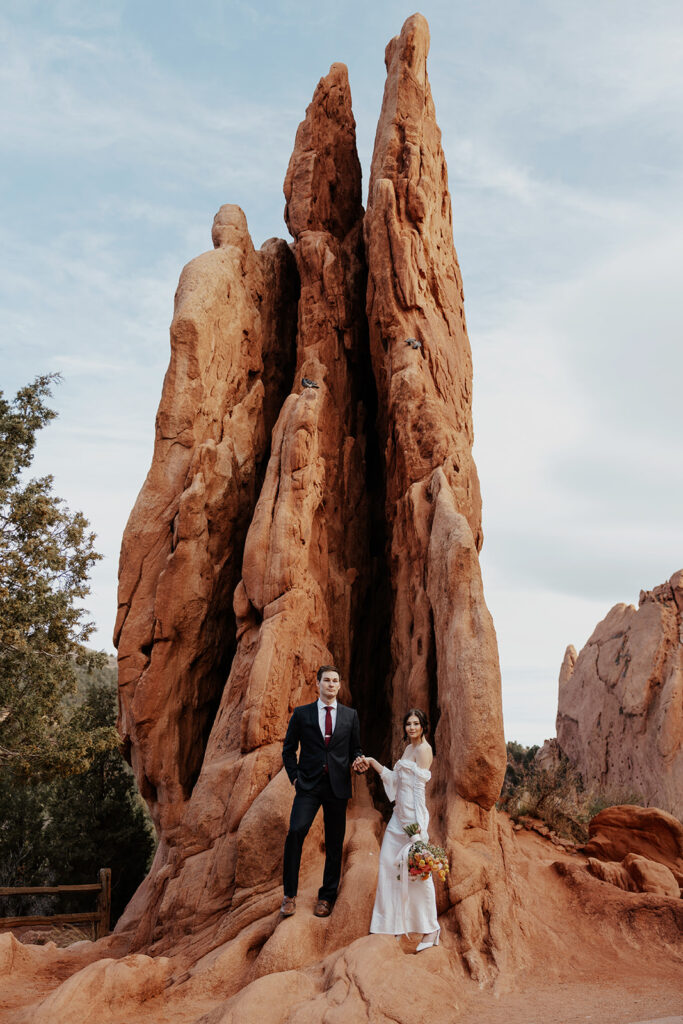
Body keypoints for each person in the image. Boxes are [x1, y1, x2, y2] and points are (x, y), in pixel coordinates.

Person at [281, 664, 366, 918]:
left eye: (335, 680)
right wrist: (295, 777)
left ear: (340, 685)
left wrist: (359, 761)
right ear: (317, 684)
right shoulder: (302, 714)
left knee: (334, 842)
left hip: (337, 787)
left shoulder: (351, 716)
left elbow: (356, 750)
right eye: (326, 680)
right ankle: (289, 895)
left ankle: (327, 897)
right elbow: (288, 749)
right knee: (296, 832)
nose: (331, 684)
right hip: (307, 785)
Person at [363, 708, 440, 951]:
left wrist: (417, 830)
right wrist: (373, 762)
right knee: (388, 865)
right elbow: (395, 782)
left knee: (418, 874)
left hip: (412, 820)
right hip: (398, 817)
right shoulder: (408, 749)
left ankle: (431, 930)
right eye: (408, 724)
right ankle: (390, 924)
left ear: (423, 726)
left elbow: (418, 792)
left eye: (416, 723)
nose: (412, 727)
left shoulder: (424, 750)